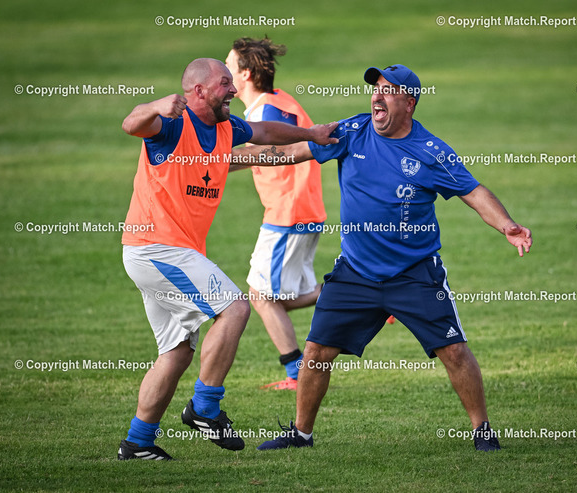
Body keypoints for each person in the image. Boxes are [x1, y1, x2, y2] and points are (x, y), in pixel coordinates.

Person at [233, 64, 532, 452]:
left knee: (455, 351)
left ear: (409, 104)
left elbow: (473, 192)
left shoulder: (431, 151)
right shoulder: (352, 131)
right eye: (376, 89)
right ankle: (301, 434)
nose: (377, 96)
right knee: (317, 352)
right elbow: (291, 152)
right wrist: (226, 160)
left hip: (414, 273)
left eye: (389, 91)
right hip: (355, 272)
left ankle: (482, 431)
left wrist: (507, 225)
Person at [117, 57, 337, 460]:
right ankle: (205, 408)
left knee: (177, 351)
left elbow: (266, 135)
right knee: (236, 307)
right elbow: (131, 124)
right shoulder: (171, 125)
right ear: (199, 90)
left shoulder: (226, 129)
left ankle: (137, 442)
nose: (234, 90)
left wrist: (313, 137)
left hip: (170, 252)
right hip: (156, 247)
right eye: (224, 83)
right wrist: (154, 106)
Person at [225, 37, 327, 391]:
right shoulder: (278, 102)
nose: (223, 73)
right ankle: (362, 294)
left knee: (261, 295)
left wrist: (206, 161)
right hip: (301, 209)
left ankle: (296, 374)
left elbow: (268, 152)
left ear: (246, 74)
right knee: (280, 296)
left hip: (288, 212)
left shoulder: (267, 112)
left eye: (228, 67)